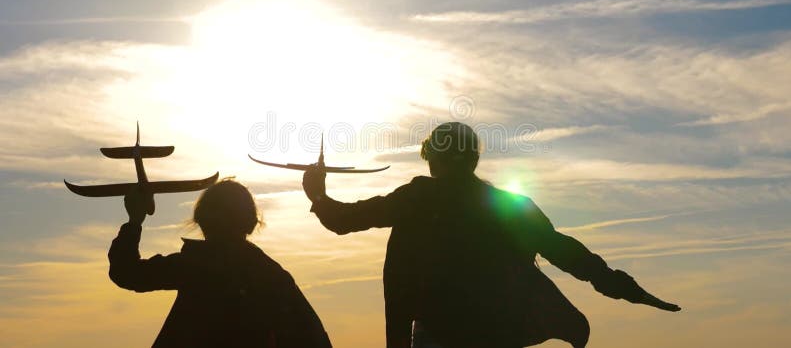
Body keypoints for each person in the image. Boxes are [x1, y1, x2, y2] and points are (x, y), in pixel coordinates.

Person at [302, 122, 680, 348]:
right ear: (474, 159)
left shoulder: (418, 197)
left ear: (434, 158)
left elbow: (344, 220)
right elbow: (567, 253)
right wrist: (626, 288)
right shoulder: (510, 206)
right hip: (501, 334)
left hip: (439, 335)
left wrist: (317, 194)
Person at [109, 179, 332, 348]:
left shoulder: (195, 266)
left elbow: (127, 273)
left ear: (201, 221)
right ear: (252, 223)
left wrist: (135, 220)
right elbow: (314, 340)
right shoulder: (272, 276)